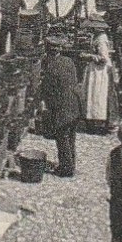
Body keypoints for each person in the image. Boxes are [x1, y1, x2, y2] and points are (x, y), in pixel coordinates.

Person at [42, 47, 83, 178]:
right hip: (75, 103)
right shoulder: (69, 61)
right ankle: (71, 163)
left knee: (62, 137)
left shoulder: (51, 68)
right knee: (71, 136)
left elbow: (48, 90)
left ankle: (66, 169)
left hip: (63, 108)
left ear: (49, 54)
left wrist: (46, 105)